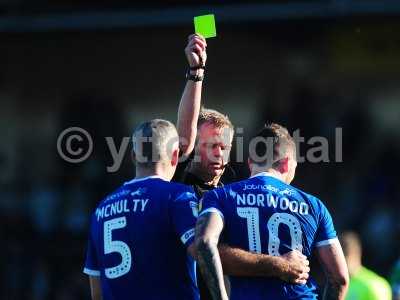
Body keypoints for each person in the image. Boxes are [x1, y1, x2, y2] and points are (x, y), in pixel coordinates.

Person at [175, 35, 311, 299]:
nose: (219, 153)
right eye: (211, 145)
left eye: (224, 147)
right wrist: (196, 73)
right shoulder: (181, 185)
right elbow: (184, 138)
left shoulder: (232, 196)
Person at [195, 123, 349, 300]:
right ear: (286, 163)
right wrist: (281, 265)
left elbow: (206, 245)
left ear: (250, 162)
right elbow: (339, 279)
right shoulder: (315, 206)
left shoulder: (220, 196)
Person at [83, 119, 199, 300]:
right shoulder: (177, 196)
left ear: (133, 156)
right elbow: (202, 251)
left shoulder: (101, 209)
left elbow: (97, 293)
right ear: (175, 156)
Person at [340, 231, 392, 300]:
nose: (340, 263)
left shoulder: (376, 286)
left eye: (345, 255)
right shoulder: (333, 285)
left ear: (354, 254)